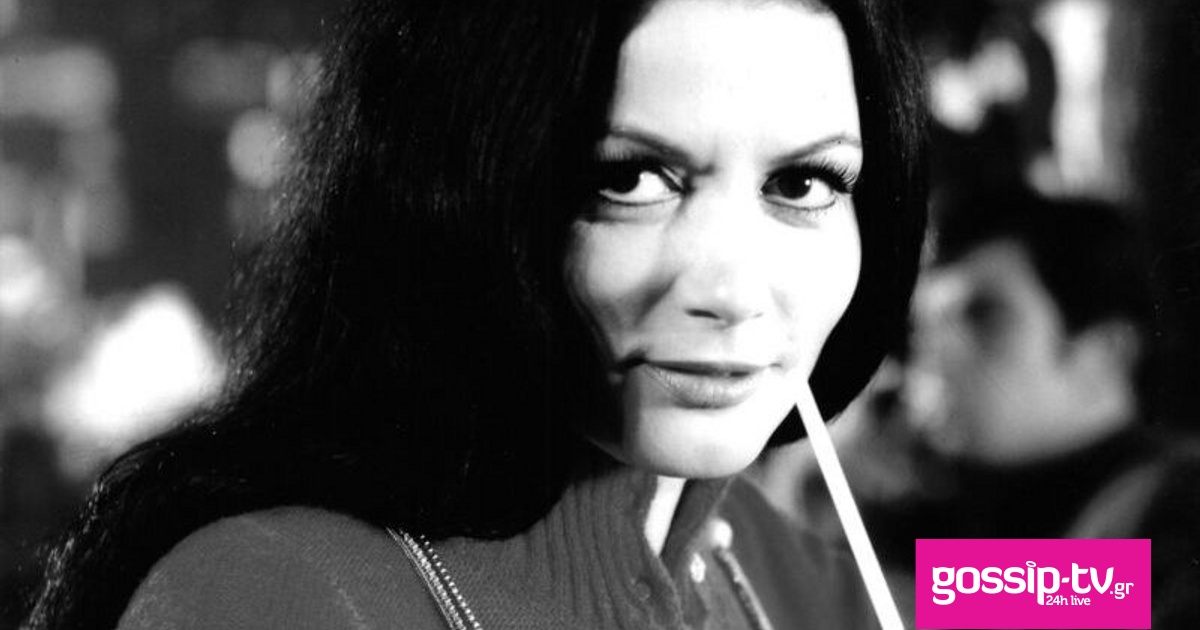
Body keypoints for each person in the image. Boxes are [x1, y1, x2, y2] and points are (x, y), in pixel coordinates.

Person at [24, 0, 927, 628]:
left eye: (803, 184)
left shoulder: (751, 557)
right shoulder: (272, 594)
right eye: (628, 180)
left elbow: (1007, 590)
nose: (732, 292)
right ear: (461, 194)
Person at [847, 189, 1198, 627]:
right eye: (923, 329)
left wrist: (907, 591)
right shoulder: (948, 511)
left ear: (1106, 352)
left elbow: (1123, 586)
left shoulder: (1174, 501)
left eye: (984, 317)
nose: (935, 355)